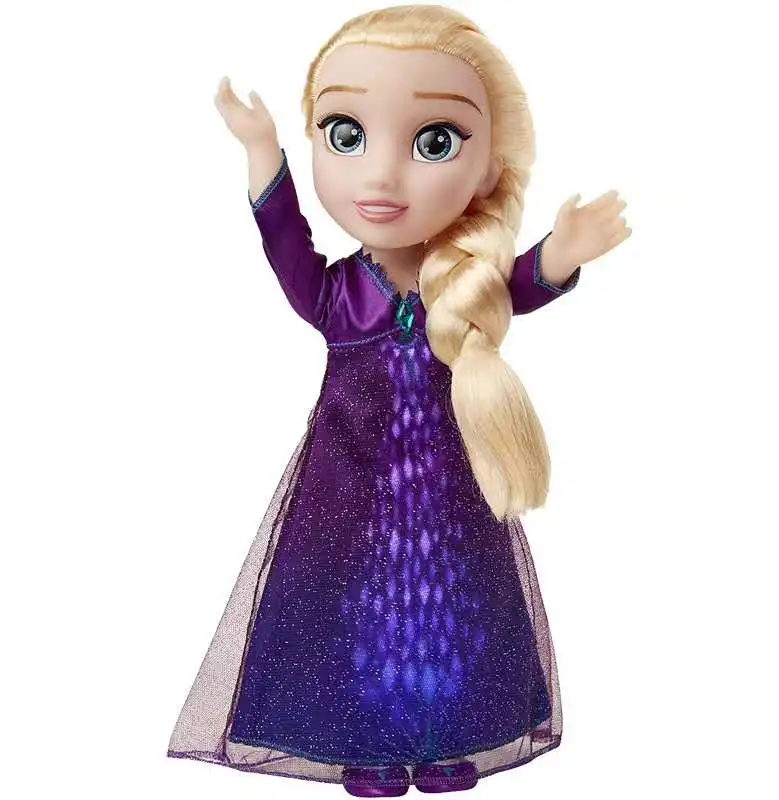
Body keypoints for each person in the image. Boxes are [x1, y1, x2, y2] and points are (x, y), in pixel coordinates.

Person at [167, 4, 630, 796]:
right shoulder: (339, 295)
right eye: (346, 134)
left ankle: (453, 737)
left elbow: (518, 285)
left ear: (489, 168)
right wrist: (260, 150)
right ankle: (367, 744)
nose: (381, 177)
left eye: (435, 141)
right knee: (356, 613)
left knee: (456, 608)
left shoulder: (467, 285)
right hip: (346, 488)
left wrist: (560, 254)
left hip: (454, 489)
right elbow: (287, 246)